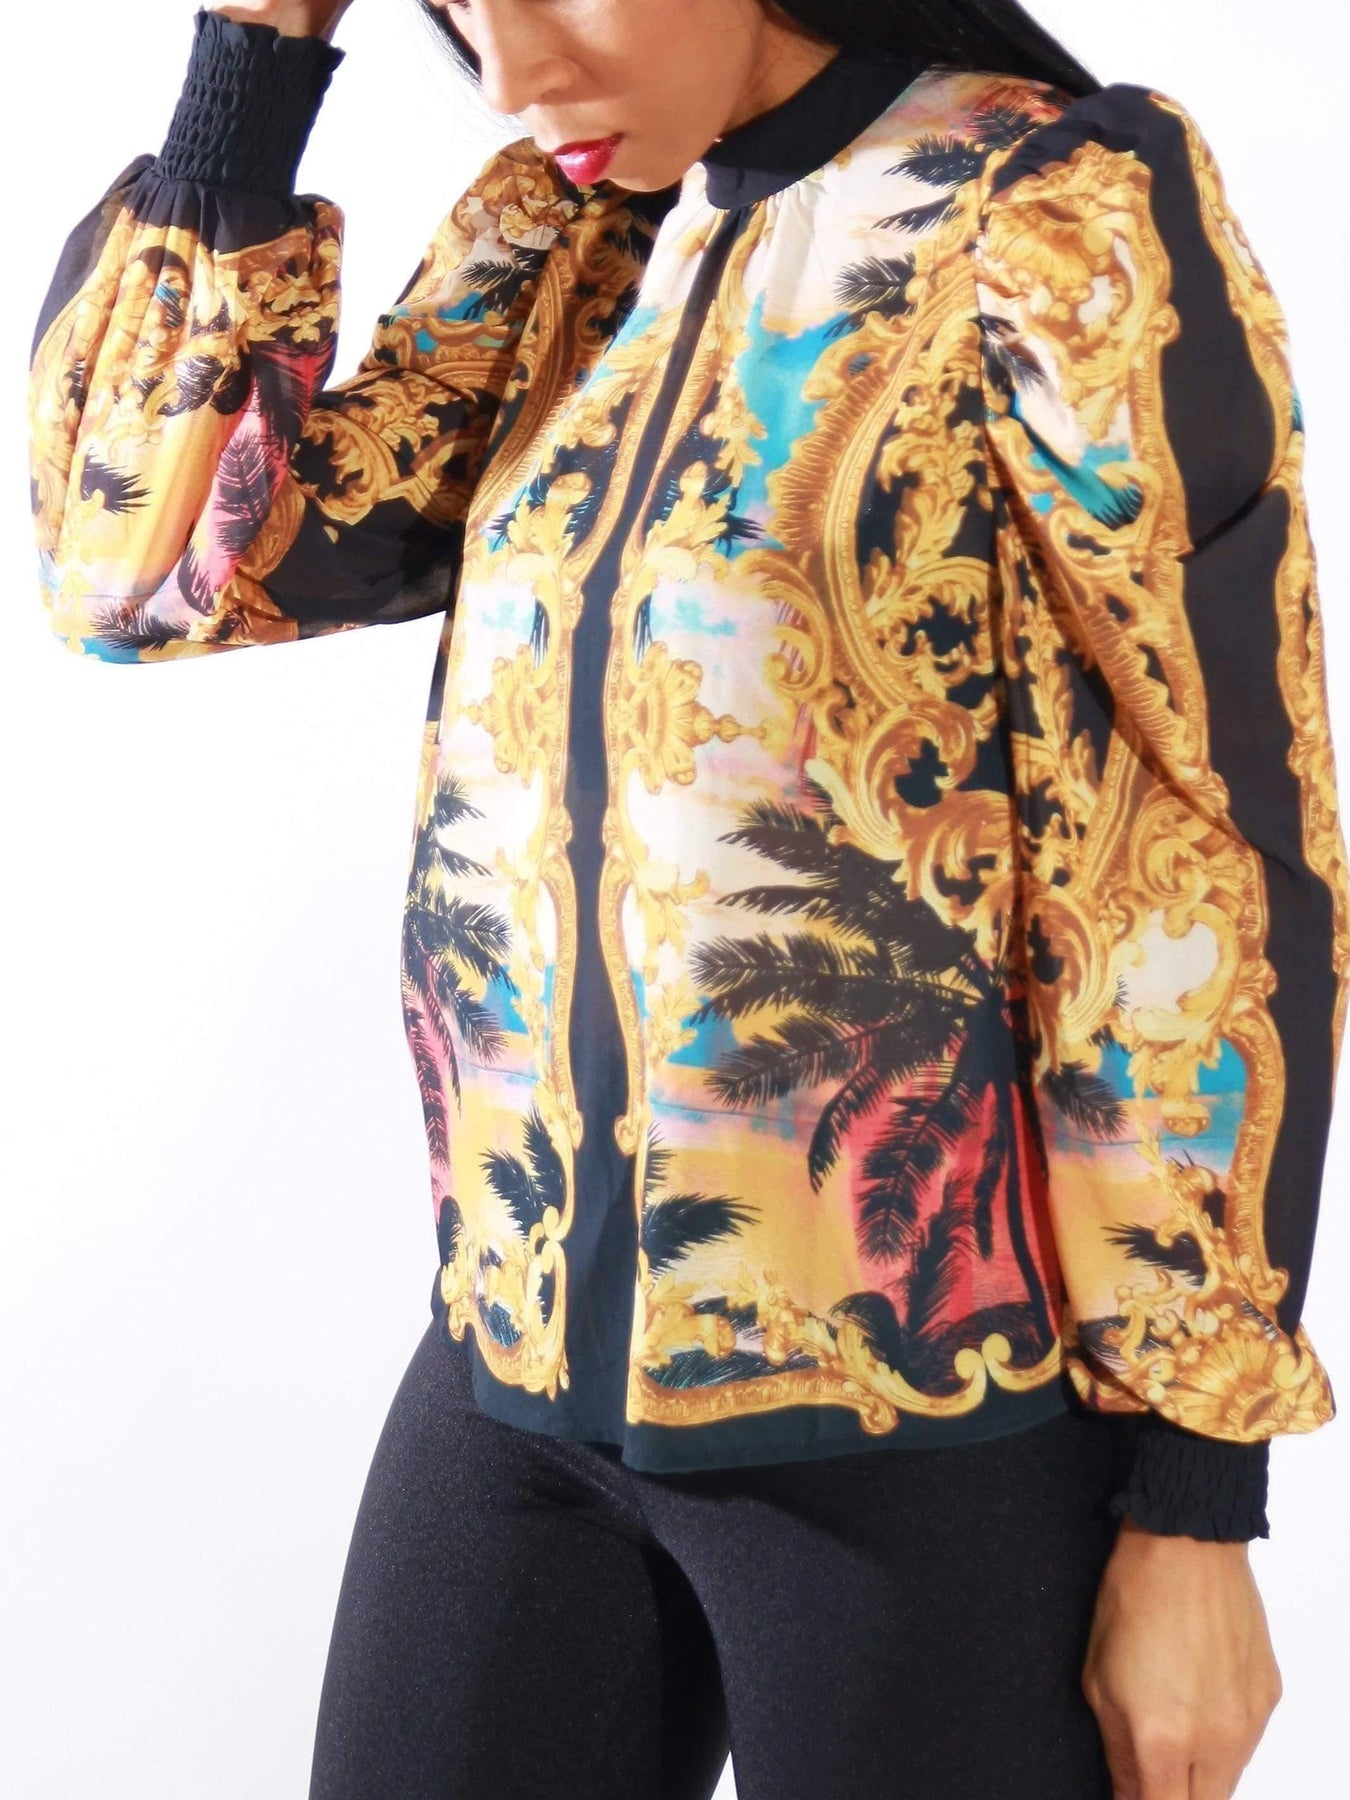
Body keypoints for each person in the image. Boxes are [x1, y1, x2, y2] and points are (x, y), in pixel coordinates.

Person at [27, 2, 1346, 1795]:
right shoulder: (565, 241)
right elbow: (142, 568)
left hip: (922, 1417)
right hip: (511, 1359)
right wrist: (256, 56)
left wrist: (1195, 1495)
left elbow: (1203, 849)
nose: (507, 72)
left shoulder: (1044, 207)